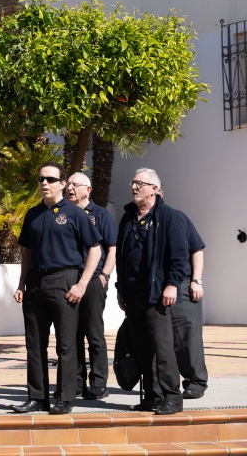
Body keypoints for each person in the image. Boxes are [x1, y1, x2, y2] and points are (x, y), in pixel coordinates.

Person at [12, 162, 102, 415]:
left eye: (50, 179)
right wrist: (21, 284)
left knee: (66, 344)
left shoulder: (75, 214)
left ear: (63, 183)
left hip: (65, 280)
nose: (44, 183)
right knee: (35, 343)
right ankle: (37, 397)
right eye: (41, 179)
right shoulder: (32, 214)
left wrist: (82, 284)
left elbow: (95, 249)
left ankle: (64, 398)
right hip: (35, 284)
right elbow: (27, 251)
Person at [115, 168, 189, 415]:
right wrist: (120, 289)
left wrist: (172, 284)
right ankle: (153, 396)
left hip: (156, 292)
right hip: (132, 293)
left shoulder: (169, 217)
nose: (134, 186)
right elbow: (121, 256)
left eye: (140, 183)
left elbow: (179, 257)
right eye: (133, 182)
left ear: (155, 189)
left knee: (162, 347)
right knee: (141, 346)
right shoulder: (128, 217)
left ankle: (172, 397)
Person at [65, 172, 117, 400]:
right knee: (72, 334)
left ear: (88, 190)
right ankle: (77, 383)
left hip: (94, 281)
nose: (70, 188)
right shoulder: (64, 213)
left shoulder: (100, 214)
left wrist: (105, 275)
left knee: (94, 334)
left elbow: (112, 248)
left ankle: (98, 384)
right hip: (68, 281)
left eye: (76, 185)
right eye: (68, 184)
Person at [171, 209, 208, 399]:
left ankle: (196, 381)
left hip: (182, 283)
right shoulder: (137, 220)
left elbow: (196, 248)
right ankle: (167, 385)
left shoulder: (177, 217)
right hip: (154, 287)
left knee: (186, 336)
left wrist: (196, 280)